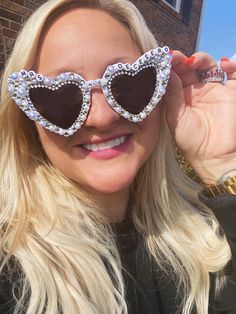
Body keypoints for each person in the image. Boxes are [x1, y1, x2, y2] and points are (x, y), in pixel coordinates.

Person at [0, 0, 236, 313]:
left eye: (129, 83)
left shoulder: (212, 237)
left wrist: (222, 162)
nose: (102, 116)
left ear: (161, 91)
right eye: (60, 95)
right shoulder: (9, 271)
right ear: (28, 121)